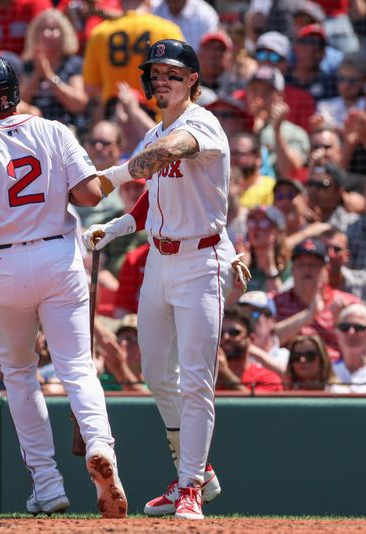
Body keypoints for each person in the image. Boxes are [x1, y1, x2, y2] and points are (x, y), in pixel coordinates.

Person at [0, 53, 127, 518]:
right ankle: (101, 445)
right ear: (16, 92)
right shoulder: (54, 130)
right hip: (60, 253)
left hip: (5, 263)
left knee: (20, 374)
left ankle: (46, 482)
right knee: (77, 365)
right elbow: (90, 195)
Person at [82, 38, 256, 520]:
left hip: (202, 260)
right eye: (156, 74)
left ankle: (189, 488)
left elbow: (168, 152)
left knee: (197, 381)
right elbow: (152, 196)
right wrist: (113, 228)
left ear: (193, 80)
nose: (163, 80)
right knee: (158, 375)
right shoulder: (159, 127)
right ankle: (198, 472)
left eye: (173, 74)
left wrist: (112, 176)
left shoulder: (199, 123)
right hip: (159, 260)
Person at [82, 0, 183, 117]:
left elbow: (90, 88)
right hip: (156, 119)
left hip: (115, 116)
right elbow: (182, 78)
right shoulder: (168, 29)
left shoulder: (99, 33)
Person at [273, 238, 360, 361]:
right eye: (301, 264)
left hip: (334, 372)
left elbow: (362, 350)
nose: (307, 270)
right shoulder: (274, 301)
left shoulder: (348, 303)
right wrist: (309, 315)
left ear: (326, 270)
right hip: (288, 370)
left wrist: (340, 325)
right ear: (292, 270)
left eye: (314, 265)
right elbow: (266, 340)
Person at [20, 9, 88, 132]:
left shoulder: (73, 63)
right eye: (43, 29)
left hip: (65, 126)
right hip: (33, 125)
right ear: (35, 34)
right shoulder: (28, 65)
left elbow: (78, 104)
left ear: (63, 33)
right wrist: (37, 74)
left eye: (53, 29)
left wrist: (49, 76)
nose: (48, 34)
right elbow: (21, 101)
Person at [215, 306, 283, 393]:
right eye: (221, 333)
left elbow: (257, 405)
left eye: (234, 332)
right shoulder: (204, 376)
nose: (226, 337)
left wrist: (226, 375)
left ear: (250, 339)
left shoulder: (268, 378)